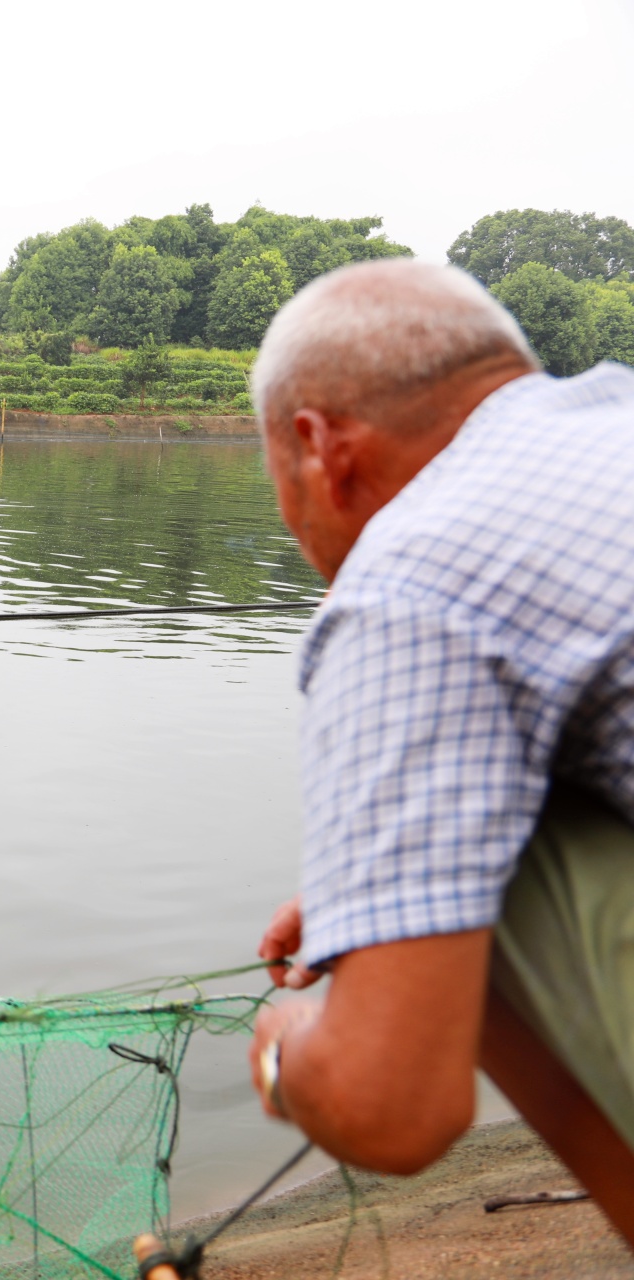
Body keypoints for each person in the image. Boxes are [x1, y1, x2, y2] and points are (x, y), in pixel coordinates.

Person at [243, 258, 634, 1240]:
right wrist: (367, 881)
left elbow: (394, 1108)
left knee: (481, 855)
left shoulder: (410, 580)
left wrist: (285, 1054)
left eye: (278, 488)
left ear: (318, 446)